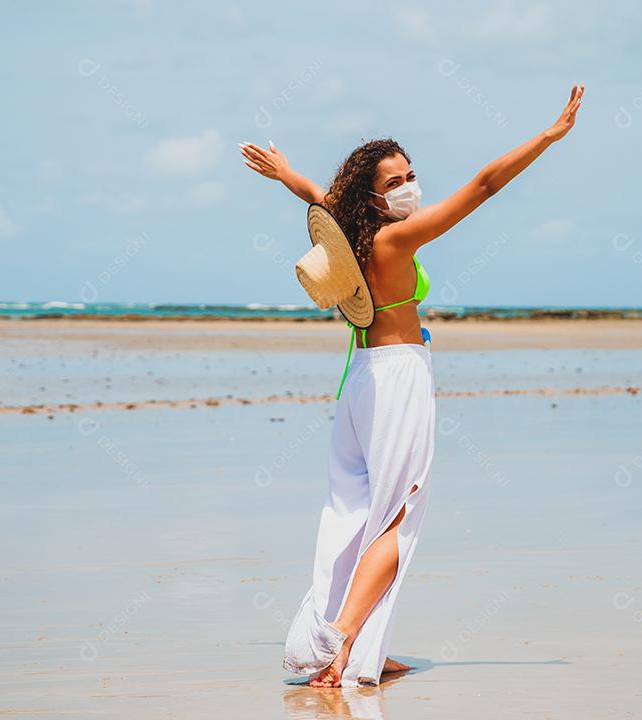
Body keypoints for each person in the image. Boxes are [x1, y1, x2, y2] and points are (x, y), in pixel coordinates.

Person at [240, 84, 585, 688]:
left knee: (352, 514)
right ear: (374, 197)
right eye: (396, 182)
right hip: (398, 379)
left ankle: (362, 642)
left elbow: (319, 196)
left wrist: (286, 174)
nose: (408, 187)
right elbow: (482, 186)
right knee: (397, 519)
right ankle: (341, 647)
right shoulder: (397, 239)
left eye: (411, 176)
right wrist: (547, 138)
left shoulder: (350, 236)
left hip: (358, 383)